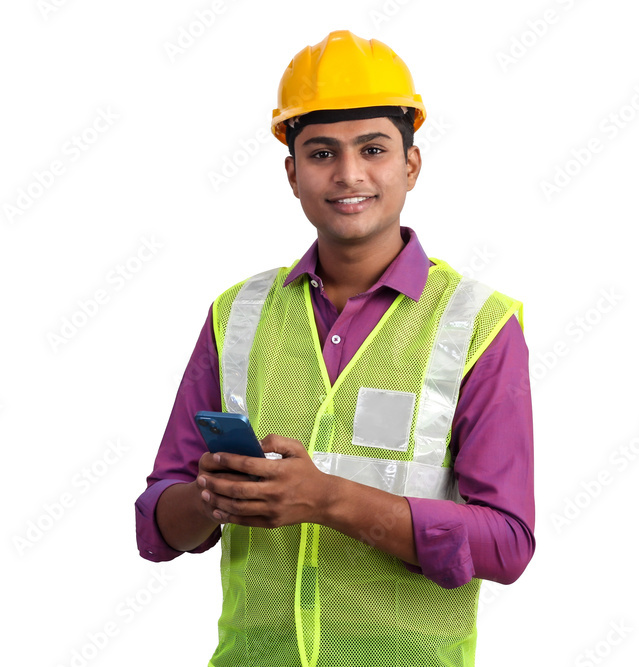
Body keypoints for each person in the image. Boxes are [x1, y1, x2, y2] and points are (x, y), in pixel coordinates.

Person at [134, 29, 535, 667]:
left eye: (373, 148)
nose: (348, 174)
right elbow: (157, 524)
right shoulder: (237, 314)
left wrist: (327, 500)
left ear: (411, 164)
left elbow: (507, 545)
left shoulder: (478, 324)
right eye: (321, 153)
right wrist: (211, 497)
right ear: (292, 173)